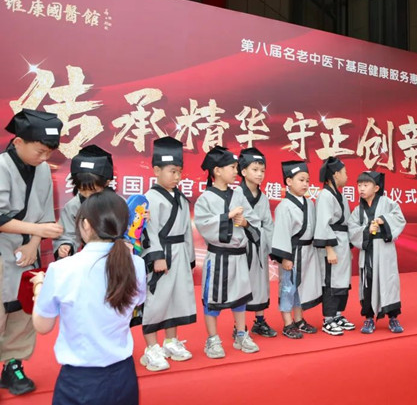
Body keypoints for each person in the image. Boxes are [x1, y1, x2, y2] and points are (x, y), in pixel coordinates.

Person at [31, 190, 147, 405]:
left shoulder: (62, 269)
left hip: (80, 382)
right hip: (124, 375)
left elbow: (42, 325)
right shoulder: (136, 264)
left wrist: (38, 287)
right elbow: (137, 301)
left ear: (85, 224)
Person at [0, 109, 64, 396]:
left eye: (49, 153)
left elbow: (46, 216)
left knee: (23, 312)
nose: (44, 158)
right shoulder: (1, 166)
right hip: (2, 251)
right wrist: (37, 231)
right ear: (18, 142)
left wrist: (33, 243)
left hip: (28, 254)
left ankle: (12, 366)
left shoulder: (42, 170)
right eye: (40, 151)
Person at [195, 146, 261, 357]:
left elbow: (254, 221)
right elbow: (204, 224)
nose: (236, 171)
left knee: (240, 297)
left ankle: (241, 334)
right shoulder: (205, 198)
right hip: (218, 257)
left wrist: (245, 222)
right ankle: (213, 339)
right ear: (217, 171)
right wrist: (227, 217)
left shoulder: (238, 194)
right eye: (232, 167)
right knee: (212, 298)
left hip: (239, 256)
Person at [139, 137, 196, 371]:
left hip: (180, 253)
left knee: (176, 298)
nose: (177, 177)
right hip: (162, 255)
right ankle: (151, 347)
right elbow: (147, 229)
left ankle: (171, 341)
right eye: (172, 171)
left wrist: (189, 257)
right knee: (157, 300)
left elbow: (187, 230)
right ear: (156, 171)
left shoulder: (180, 197)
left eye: (179, 172)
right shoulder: (150, 198)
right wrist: (156, 256)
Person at [349, 171, 406, 334]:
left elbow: (400, 218)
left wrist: (383, 220)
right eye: (359, 185)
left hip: (385, 249)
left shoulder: (388, 203)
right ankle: (368, 318)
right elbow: (352, 229)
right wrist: (367, 230)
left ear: (376, 188)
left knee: (389, 281)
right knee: (367, 282)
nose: (361, 188)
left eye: (365, 185)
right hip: (368, 251)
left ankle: (393, 317)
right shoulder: (358, 210)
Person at [270, 161, 322, 339]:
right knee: (288, 287)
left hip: (307, 252)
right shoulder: (284, 206)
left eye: (307, 180)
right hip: (292, 252)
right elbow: (282, 232)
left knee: (302, 286)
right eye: (301, 180)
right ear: (289, 181)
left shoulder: (310, 204)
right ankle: (287, 323)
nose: (305, 184)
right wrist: (285, 257)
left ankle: (299, 319)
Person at [236, 147, 276, 338]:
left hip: (258, 246)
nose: (260, 174)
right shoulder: (236, 194)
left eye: (262, 170)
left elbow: (268, 225)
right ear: (243, 171)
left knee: (260, 284)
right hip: (241, 246)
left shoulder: (263, 198)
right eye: (255, 170)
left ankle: (259, 321)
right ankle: (239, 325)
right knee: (241, 285)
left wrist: (272, 249)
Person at [314, 157, 355, 335]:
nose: (347, 176)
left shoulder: (340, 195)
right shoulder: (325, 195)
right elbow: (323, 224)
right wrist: (329, 249)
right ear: (336, 174)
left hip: (342, 241)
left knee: (343, 280)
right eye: (345, 172)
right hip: (332, 243)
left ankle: (338, 314)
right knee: (331, 280)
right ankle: (328, 318)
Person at [53, 145, 114, 260]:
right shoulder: (73, 206)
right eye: (82, 189)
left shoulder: (119, 204)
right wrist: (66, 245)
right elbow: (68, 234)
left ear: (107, 182)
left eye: (93, 190)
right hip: (87, 260)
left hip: (115, 259)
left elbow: (130, 233)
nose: (87, 194)